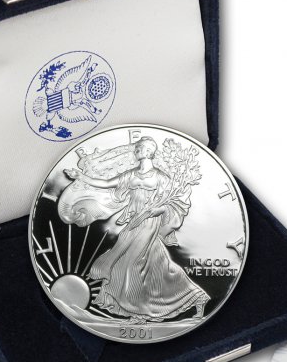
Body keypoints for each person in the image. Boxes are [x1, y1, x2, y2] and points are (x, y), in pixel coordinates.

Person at [64, 137, 209, 322]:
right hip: (134, 221)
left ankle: (139, 312)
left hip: (150, 221)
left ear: (149, 152)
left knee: (133, 262)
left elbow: (175, 202)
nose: (136, 151)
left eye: (140, 148)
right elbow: (106, 183)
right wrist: (80, 176)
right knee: (157, 265)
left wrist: (158, 210)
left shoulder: (161, 177)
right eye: (137, 148)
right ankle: (196, 296)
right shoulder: (130, 175)